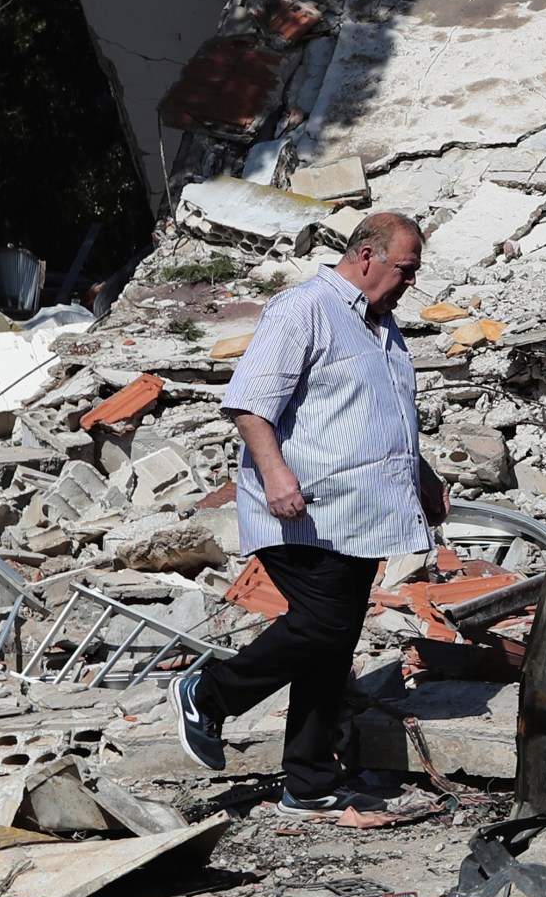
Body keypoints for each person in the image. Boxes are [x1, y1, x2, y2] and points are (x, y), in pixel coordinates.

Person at [173, 213, 448, 811]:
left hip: (362, 516)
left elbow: (390, 418)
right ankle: (210, 694)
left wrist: (422, 477)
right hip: (301, 509)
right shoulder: (304, 309)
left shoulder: (384, 328)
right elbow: (249, 402)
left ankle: (309, 779)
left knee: (334, 639)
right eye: (406, 270)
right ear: (368, 256)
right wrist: (274, 473)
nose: (410, 283)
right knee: (322, 625)